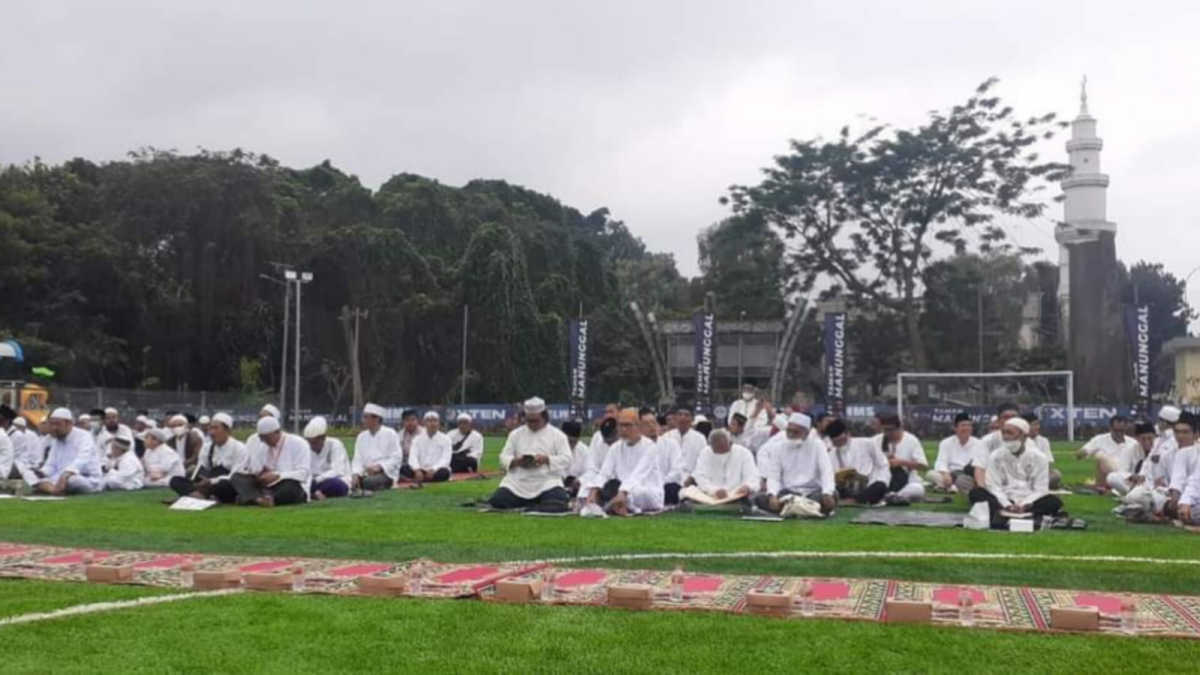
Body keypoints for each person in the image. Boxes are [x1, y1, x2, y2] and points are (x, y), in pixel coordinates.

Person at [968, 417, 1064, 529]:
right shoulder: (995, 456)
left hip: (1030, 501)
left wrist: (1025, 504)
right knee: (977, 493)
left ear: (1024, 436)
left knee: (1054, 501)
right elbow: (993, 486)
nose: (1005, 437)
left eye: (1010, 433)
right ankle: (1014, 514)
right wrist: (1007, 505)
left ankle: (1009, 515)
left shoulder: (1039, 458)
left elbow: (1041, 489)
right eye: (1004, 433)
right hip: (1003, 500)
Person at [486, 397, 572, 512]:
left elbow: (567, 458)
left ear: (544, 417)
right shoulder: (515, 434)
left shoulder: (557, 435)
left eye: (535, 421)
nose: (532, 424)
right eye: (529, 421)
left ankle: (534, 505)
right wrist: (517, 461)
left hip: (546, 481)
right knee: (498, 500)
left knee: (558, 500)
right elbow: (503, 457)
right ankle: (534, 505)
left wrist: (546, 459)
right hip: (519, 482)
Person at [211, 416, 310, 507]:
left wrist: (278, 476)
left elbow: (303, 474)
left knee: (291, 487)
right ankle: (258, 499)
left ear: (277, 432)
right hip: (264, 487)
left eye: (266, 438)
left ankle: (257, 499)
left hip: (284, 485)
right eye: (261, 438)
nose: (263, 441)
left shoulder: (298, 443)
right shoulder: (262, 445)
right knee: (236, 478)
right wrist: (259, 475)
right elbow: (253, 469)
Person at [584, 408, 664, 515]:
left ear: (638, 426)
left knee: (635, 492)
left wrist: (623, 492)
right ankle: (614, 504)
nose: (624, 429)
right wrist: (594, 490)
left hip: (647, 492)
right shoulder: (615, 447)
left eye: (628, 425)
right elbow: (604, 473)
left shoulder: (650, 447)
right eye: (621, 425)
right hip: (620, 490)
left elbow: (638, 475)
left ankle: (614, 504)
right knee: (592, 489)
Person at [755, 413, 836, 516]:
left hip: (813, 493)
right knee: (759, 498)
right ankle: (806, 509)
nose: (791, 435)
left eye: (795, 432)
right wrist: (772, 495)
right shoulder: (777, 447)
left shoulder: (818, 445)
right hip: (788, 493)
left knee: (832, 496)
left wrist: (827, 493)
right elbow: (774, 476)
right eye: (789, 431)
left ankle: (793, 509)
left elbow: (826, 472)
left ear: (806, 433)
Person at [25, 408, 103, 495]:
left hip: (85, 478)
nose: (54, 428)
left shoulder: (84, 436)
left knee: (73, 480)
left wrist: (66, 474)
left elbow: (82, 460)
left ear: (69, 424)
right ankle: (54, 490)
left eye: (57, 424)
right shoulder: (57, 440)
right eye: (52, 424)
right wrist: (41, 473)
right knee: (28, 474)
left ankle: (49, 489)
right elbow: (51, 465)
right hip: (59, 478)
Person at [171, 413, 246, 498]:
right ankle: (198, 494)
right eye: (210, 428)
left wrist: (212, 481)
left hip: (226, 483)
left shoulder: (239, 448)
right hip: (207, 482)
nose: (211, 432)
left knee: (224, 484)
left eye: (216, 428)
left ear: (227, 430)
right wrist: (198, 480)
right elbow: (201, 468)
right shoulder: (207, 447)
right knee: (175, 480)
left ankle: (196, 495)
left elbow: (236, 476)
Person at [683, 428, 759, 507]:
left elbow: (752, 476)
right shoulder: (705, 453)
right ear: (711, 446)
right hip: (710, 495)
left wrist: (747, 486)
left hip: (736, 493)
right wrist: (714, 491)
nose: (721, 451)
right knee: (688, 493)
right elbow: (700, 476)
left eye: (723, 447)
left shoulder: (744, 453)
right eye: (717, 448)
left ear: (730, 443)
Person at [827, 419, 890, 505]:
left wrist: (880, 480)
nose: (839, 443)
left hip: (868, 485)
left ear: (848, 434)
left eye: (841, 440)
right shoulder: (831, 454)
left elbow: (883, 465)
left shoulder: (867, 443)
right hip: (846, 488)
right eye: (836, 442)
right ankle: (853, 500)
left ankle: (854, 501)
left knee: (880, 486)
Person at [1075, 416, 1142, 494]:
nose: (1119, 433)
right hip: (1108, 474)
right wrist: (1082, 453)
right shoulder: (1100, 439)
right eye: (1116, 430)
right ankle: (1105, 487)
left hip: (1126, 476)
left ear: (1126, 429)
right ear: (1110, 428)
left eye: (1122, 431)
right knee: (1101, 456)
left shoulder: (1133, 443)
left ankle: (1109, 488)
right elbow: (1083, 451)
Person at [874, 414, 928, 504]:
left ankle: (894, 496)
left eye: (891, 430)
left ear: (899, 428)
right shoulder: (877, 440)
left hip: (908, 482)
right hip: (883, 480)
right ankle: (892, 497)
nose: (888, 433)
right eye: (885, 430)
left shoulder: (911, 440)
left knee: (917, 489)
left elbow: (923, 466)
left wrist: (901, 462)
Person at [928, 413, 987, 493]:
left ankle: (945, 486)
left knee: (962, 480)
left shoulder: (980, 444)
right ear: (955, 428)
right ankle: (950, 487)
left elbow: (981, 467)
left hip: (967, 476)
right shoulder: (945, 443)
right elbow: (941, 462)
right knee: (930, 474)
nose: (966, 428)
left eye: (969, 425)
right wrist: (945, 474)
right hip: (950, 474)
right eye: (963, 425)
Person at [351, 403, 402, 494]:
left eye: (366, 417)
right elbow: (357, 459)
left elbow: (396, 457)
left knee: (369, 482)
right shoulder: (361, 436)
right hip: (365, 473)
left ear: (376, 419)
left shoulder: (390, 433)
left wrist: (379, 467)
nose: (363, 420)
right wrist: (356, 474)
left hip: (385, 473)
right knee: (349, 481)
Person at [640, 409, 683, 505]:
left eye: (653, 422)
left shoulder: (671, 444)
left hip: (666, 486)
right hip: (644, 489)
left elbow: (677, 471)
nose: (651, 426)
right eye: (646, 424)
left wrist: (660, 484)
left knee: (673, 488)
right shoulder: (636, 447)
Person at [304, 416, 351, 499]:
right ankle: (314, 493)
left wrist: (317, 480)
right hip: (314, 482)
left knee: (336, 485)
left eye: (314, 443)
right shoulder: (307, 448)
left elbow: (338, 471)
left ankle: (313, 493)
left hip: (336, 480)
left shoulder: (335, 444)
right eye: (309, 443)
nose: (312, 446)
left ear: (323, 438)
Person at [1163, 413, 1200, 519]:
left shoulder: (1193, 451)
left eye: (1185, 432)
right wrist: (1177, 500)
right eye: (1177, 432)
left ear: (1196, 434)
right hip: (1179, 498)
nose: (1180, 436)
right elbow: (1177, 480)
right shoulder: (1168, 453)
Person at [403, 411, 452, 483]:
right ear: (424, 423)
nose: (432, 423)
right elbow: (413, 457)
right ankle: (423, 478)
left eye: (435, 421)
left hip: (437, 470)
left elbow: (446, 458)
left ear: (438, 423)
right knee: (404, 469)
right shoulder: (417, 439)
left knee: (444, 473)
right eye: (429, 421)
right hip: (421, 469)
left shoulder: (446, 439)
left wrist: (434, 469)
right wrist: (417, 470)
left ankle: (422, 479)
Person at [664, 407, 708, 478]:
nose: (683, 417)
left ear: (692, 419)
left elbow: (704, 462)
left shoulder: (700, 438)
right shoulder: (666, 437)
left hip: (693, 479)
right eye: (680, 414)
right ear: (676, 418)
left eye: (686, 415)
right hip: (669, 479)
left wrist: (693, 478)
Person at [1024, 414, 1062, 490]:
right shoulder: (1018, 440)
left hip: (1039, 474)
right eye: (1034, 425)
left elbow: (1048, 462)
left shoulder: (1043, 441)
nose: (1037, 427)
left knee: (1056, 474)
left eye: (1038, 424)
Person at [562, 420, 589, 497]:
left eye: (574, 442)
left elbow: (589, 471)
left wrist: (579, 481)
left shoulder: (584, 450)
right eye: (569, 441)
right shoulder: (553, 448)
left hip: (577, 488)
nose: (571, 445)